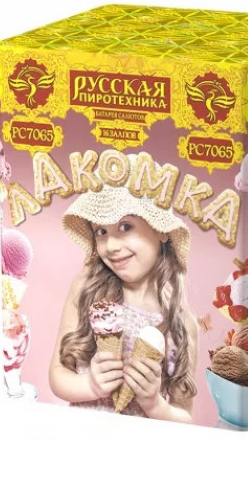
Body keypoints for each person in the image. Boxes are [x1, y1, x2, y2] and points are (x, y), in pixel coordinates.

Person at [49, 155, 198, 423]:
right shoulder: (87, 288)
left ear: (161, 230)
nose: (111, 246)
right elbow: (58, 374)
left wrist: (155, 405)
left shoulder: (182, 322)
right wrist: (89, 385)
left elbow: (184, 416)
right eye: (101, 231)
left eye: (125, 226)